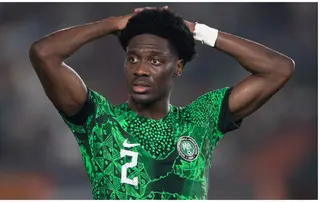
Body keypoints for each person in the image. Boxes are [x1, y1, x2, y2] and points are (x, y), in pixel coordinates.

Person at [29, 6, 294, 200]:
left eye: (155, 61)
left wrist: (199, 32)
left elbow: (278, 69)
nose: (140, 69)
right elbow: (44, 54)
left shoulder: (201, 119)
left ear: (177, 67)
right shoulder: (99, 120)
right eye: (132, 59)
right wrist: (111, 24)